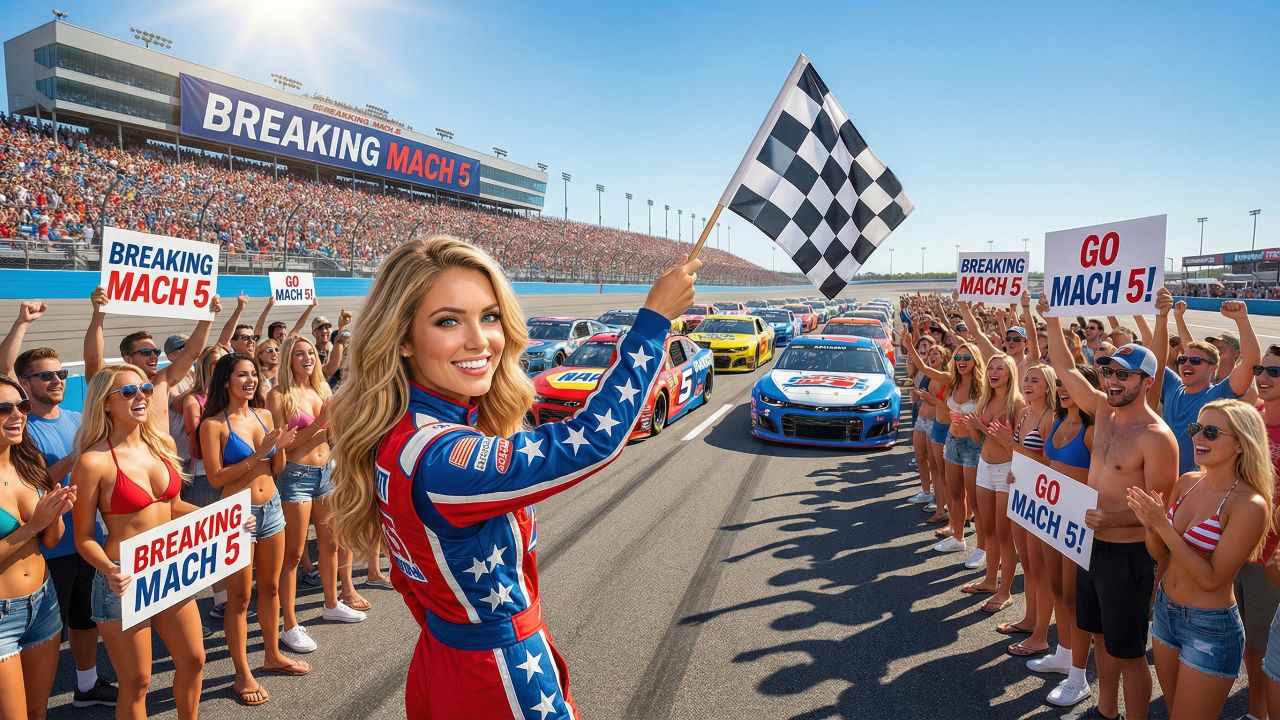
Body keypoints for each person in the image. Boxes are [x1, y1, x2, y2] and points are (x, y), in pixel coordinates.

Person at [328, 235, 698, 718]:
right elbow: (591, 440)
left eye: (489, 316)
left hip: (442, 658)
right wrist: (653, 322)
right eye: (448, 321)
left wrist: (452, 632)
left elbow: (407, 576)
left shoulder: (396, 431)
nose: (480, 340)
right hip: (500, 675)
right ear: (402, 339)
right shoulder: (441, 457)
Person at [1042, 294, 1179, 720]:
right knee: (1100, 637)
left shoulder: (1156, 437)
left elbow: (1161, 513)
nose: (1112, 379)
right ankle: (1106, 710)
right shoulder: (1103, 410)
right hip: (1091, 546)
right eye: (1107, 371)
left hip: (1128, 556)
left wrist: (1113, 518)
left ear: (1147, 381)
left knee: (1129, 654)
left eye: (1123, 373)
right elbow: (1065, 368)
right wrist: (1052, 318)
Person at [71, 364, 209, 720]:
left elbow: (173, 507)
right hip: (123, 579)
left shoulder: (161, 445)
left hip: (169, 569)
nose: (141, 397)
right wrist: (109, 569)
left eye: (145, 389)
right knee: (136, 682)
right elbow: (83, 536)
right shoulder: (93, 462)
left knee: (194, 659)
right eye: (129, 392)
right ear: (105, 402)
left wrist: (224, 518)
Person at [1, 302, 118, 706]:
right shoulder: (21, 429)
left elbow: (97, 368)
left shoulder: (75, 418)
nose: (56, 380)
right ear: (25, 383)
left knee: (85, 618)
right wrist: (75, 457)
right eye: (46, 375)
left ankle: (86, 684)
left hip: (83, 537)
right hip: (43, 552)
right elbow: (38, 481)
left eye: (61, 374)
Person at [1129, 400, 1272, 720]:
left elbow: (1211, 579)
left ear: (1241, 444)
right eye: (1196, 428)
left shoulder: (1250, 504)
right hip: (1166, 612)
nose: (1197, 437)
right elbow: (1160, 553)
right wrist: (1150, 527)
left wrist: (1162, 526)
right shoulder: (1187, 481)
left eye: (1211, 432)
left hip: (1210, 627)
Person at [200, 353, 307, 705]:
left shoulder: (265, 415)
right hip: (236, 516)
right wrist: (260, 453)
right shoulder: (213, 425)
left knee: (272, 588)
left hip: (272, 507)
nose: (250, 381)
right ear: (225, 380)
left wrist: (280, 449)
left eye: (253, 375)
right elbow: (216, 478)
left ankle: (272, 654)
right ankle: (242, 673)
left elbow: (276, 468)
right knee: (241, 598)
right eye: (242, 375)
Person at [269, 334, 363, 657]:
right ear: (288, 358)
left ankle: (332, 604)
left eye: (310, 352)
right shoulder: (278, 396)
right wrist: (321, 421)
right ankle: (289, 625)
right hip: (295, 477)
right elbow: (283, 446)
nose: (307, 358)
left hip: (327, 473)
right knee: (294, 555)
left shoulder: (322, 388)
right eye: (300, 353)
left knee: (331, 544)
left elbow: (330, 434)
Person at [0, 375, 77, 720]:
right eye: (4, 408)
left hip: (44, 603)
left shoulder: (30, 463)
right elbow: (33, 531)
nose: (17, 415)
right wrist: (32, 525)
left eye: (22, 406)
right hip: (2, 616)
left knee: (37, 710)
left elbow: (49, 540)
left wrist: (55, 514)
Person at [985, 363, 1059, 657]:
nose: (1027, 384)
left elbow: (1052, 466)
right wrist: (1013, 466)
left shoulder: (1050, 417)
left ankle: (1041, 634)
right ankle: (1029, 620)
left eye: (1035, 380)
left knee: (1041, 569)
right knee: (1027, 564)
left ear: (1048, 386)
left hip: (1041, 499)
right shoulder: (1026, 413)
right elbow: (1018, 453)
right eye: (1026, 379)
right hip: (1020, 492)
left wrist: (1010, 445)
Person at [1152, 295, 1258, 476]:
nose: (1186, 364)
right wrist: (1161, 318)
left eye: (1195, 361)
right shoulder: (1173, 386)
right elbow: (1155, 360)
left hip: (1197, 484)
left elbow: (1250, 363)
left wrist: (1242, 319)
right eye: (1183, 360)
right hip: (1163, 479)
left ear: (1213, 367)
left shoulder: (1218, 396)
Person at [83, 288, 219, 427]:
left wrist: (207, 318)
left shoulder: (161, 381)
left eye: (156, 352)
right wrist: (98, 314)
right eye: (146, 352)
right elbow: (93, 360)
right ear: (128, 359)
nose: (154, 356)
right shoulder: (114, 385)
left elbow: (191, 354)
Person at [953, 353, 1025, 611]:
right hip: (984, 467)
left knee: (1005, 535)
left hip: (1007, 472)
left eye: (1000, 368)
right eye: (991, 367)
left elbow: (1017, 447)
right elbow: (977, 440)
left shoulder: (1017, 404)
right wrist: (970, 425)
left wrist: (981, 427)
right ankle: (989, 581)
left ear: (1010, 373)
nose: (993, 372)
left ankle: (1005, 592)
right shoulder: (986, 399)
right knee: (988, 529)